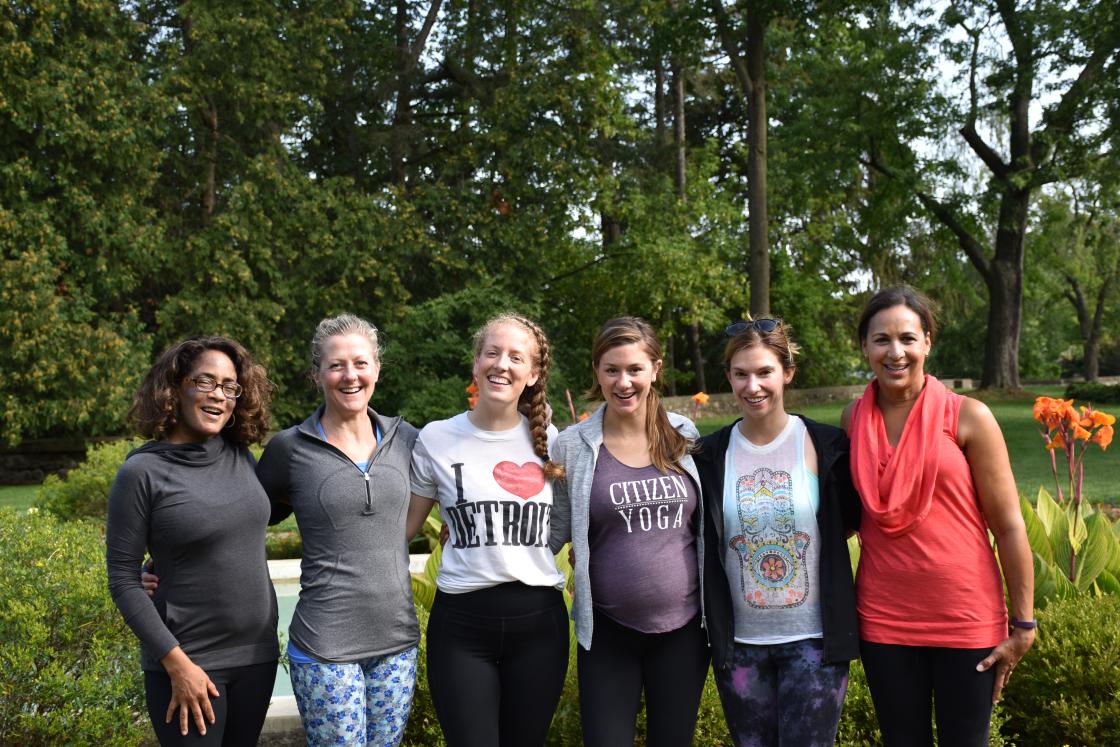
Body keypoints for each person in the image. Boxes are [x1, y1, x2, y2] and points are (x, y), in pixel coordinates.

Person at [842, 286, 1035, 746]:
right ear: (865, 347)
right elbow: (847, 517)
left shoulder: (969, 417)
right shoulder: (852, 419)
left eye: (908, 338)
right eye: (881, 339)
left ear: (927, 341)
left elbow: (1008, 526)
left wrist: (1024, 624)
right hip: (884, 620)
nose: (895, 352)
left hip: (965, 619)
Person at [693, 318, 861, 746]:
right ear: (728, 376)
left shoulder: (827, 446)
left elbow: (849, 523)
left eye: (765, 372)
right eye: (741, 374)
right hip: (740, 647)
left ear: (787, 373)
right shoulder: (709, 455)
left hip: (814, 644)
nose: (753, 386)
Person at [255, 314, 421, 746]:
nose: (350, 376)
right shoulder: (290, 449)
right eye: (336, 365)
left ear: (377, 369)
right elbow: (241, 519)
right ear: (317, 375)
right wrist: (167, 561)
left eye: (361, 363)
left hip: (397, 643)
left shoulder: (408, 440)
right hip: (325, 644)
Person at [405, 313, 568, 747]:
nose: (502, 364)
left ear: (532, 374)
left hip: (539, 625)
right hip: (461, 626)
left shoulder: (554, 442)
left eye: (517, 357)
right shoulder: (436, 438)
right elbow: (402, 528)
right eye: (492, 353)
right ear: (476, 363)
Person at [106, 336, 278, 745]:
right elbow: (123, 579)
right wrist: (176, 664)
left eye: (229, 386)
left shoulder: (239, 455)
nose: (218, 395)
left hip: (257, 657)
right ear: (176, 387)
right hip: (188, 662)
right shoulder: (141, 473)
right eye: (205, 382)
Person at [548, 316, 708, 746]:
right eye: (611, 369)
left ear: (655, 368)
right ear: (597, 371)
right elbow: (554, 527)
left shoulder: (683, 436)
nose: (624, 382)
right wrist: (483, 533)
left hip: (685, 631)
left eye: (635, 369)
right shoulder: (573, 445)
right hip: (607, 633)